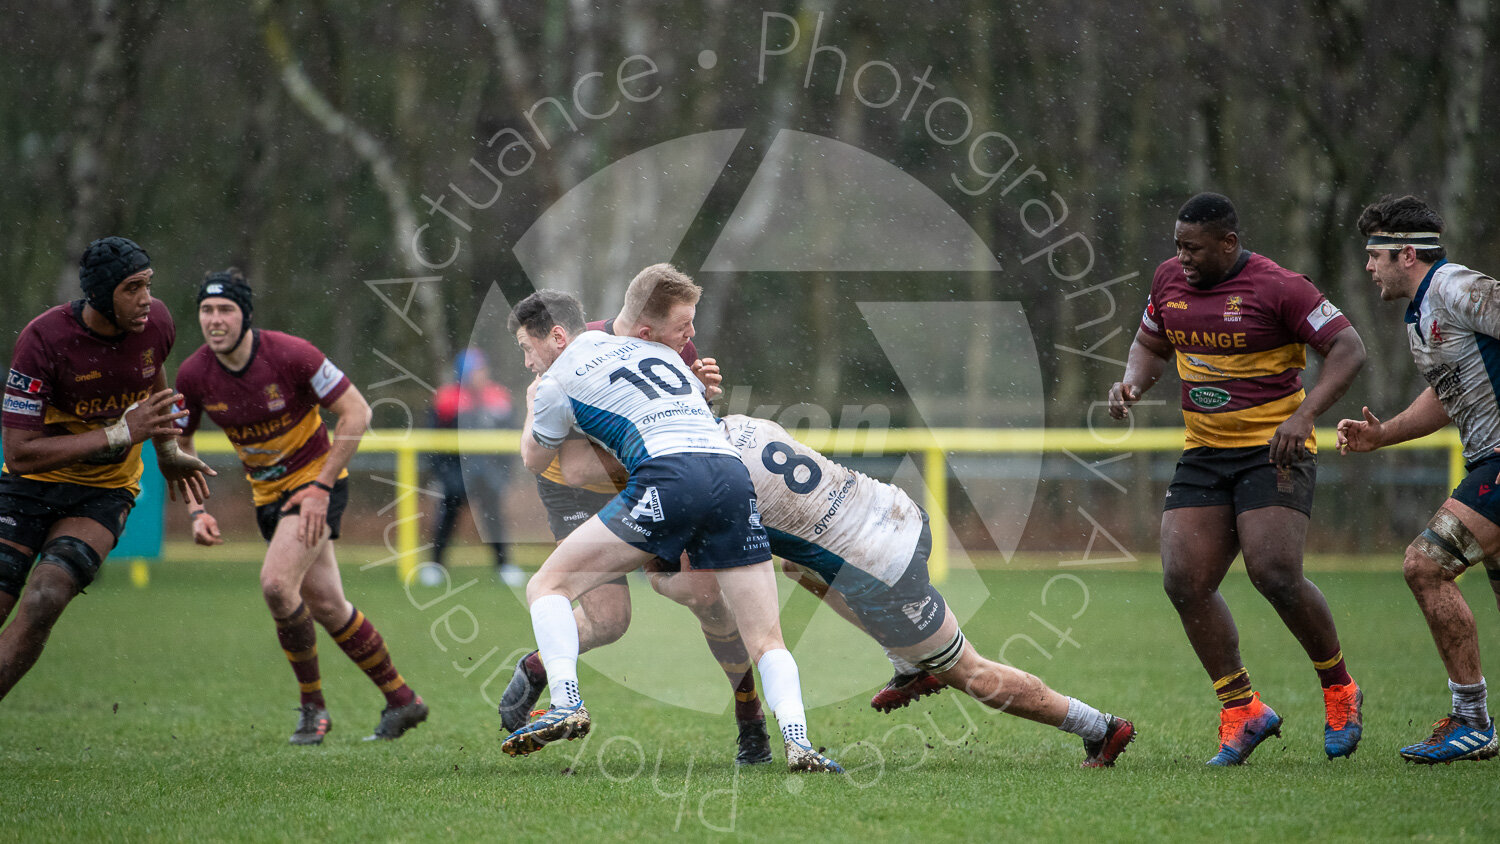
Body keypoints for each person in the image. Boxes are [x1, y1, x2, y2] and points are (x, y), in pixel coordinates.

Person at [572, 413, 1137, 767]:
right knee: (796, 562)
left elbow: (699, 593)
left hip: (880, 570)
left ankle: (1099, 727)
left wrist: (656, 576)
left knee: (969, 671)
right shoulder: (739, 425)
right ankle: (905, 660)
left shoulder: (705, 486)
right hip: (897, 512)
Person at [501, 289, 841, 773]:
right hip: (726, 475)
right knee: (767, 637)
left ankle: (567, 703)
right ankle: (801, 745)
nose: (527, 361)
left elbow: (535, 458)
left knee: (547, 585)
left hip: (664, 479)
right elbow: (575, 472)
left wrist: (536, 407)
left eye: (526, 348)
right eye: (685, 326)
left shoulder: (557, 379)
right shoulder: (653, 349)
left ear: (557, 336)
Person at [1108, 193, 1368, 765]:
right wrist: (1132, 383)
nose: (1183, 258)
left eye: (1194, 248)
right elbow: (1150, 344)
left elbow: (1348, 347)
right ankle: (1242, 709)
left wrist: (1304, 417)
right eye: (1178, 246)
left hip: (1273, 451)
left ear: (1228, 243)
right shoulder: (1168, 282)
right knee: (1183, 579)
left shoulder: (1280, 287)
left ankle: (1339, 689)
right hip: (1204, 452)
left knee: (1274, 572)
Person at [175, 269, 427, 745]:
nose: (215, 320)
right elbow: (179, 445)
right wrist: (196, 510)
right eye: (206, 311)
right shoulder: (194, 374)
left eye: (225, 309)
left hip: (315, 492)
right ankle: (402, 700)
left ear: (245, 315)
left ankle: (313, 709)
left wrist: (321, 486)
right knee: (329, 605)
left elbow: (358, 412)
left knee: (275, 585)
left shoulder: (292, 355)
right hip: (268, 499)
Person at [0, 237, 213, 703]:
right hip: (30, 485)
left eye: (148, 285)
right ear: (100, 295)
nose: (146, 299)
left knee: (46, 596)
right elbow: (18, 453)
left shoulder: (155, 322)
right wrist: (119, 434)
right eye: (132, 288)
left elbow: (151, 375)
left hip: (104, 491)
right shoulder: (43, 340)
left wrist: (167, 450)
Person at [1337, 195, 1500, 763]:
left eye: (1375, 254)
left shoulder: (1456, 286)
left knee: (1424, 565)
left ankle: (1473, 720)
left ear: (1407, 253)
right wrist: (1384, 436)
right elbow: (1447, 394)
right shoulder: (1422, 312)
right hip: (1487, 460)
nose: (1367, 266)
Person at [421, 348, 523, 587]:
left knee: (494, 518)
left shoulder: (498, 397)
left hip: (489, 472)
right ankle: (435, 566)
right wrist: (443, 475)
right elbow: (433, 441)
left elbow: (510, 435)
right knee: (447, 517)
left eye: (482, 369)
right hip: (456, 472)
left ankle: (504, 565)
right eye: (476, 370)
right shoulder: (446, 399)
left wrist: (504, 472)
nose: (481, 374)